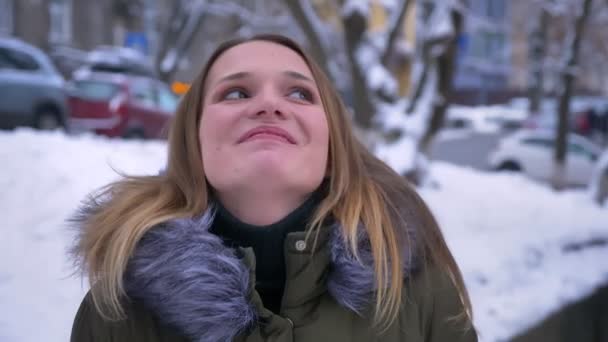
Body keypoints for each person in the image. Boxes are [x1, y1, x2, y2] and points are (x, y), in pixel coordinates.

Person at [70, 34, 478, 342]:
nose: (268, 105)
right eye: (236, 92)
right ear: (193, 142)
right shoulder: (116, 312)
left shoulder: (420, 292)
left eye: (299, 93)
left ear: (332, 143)